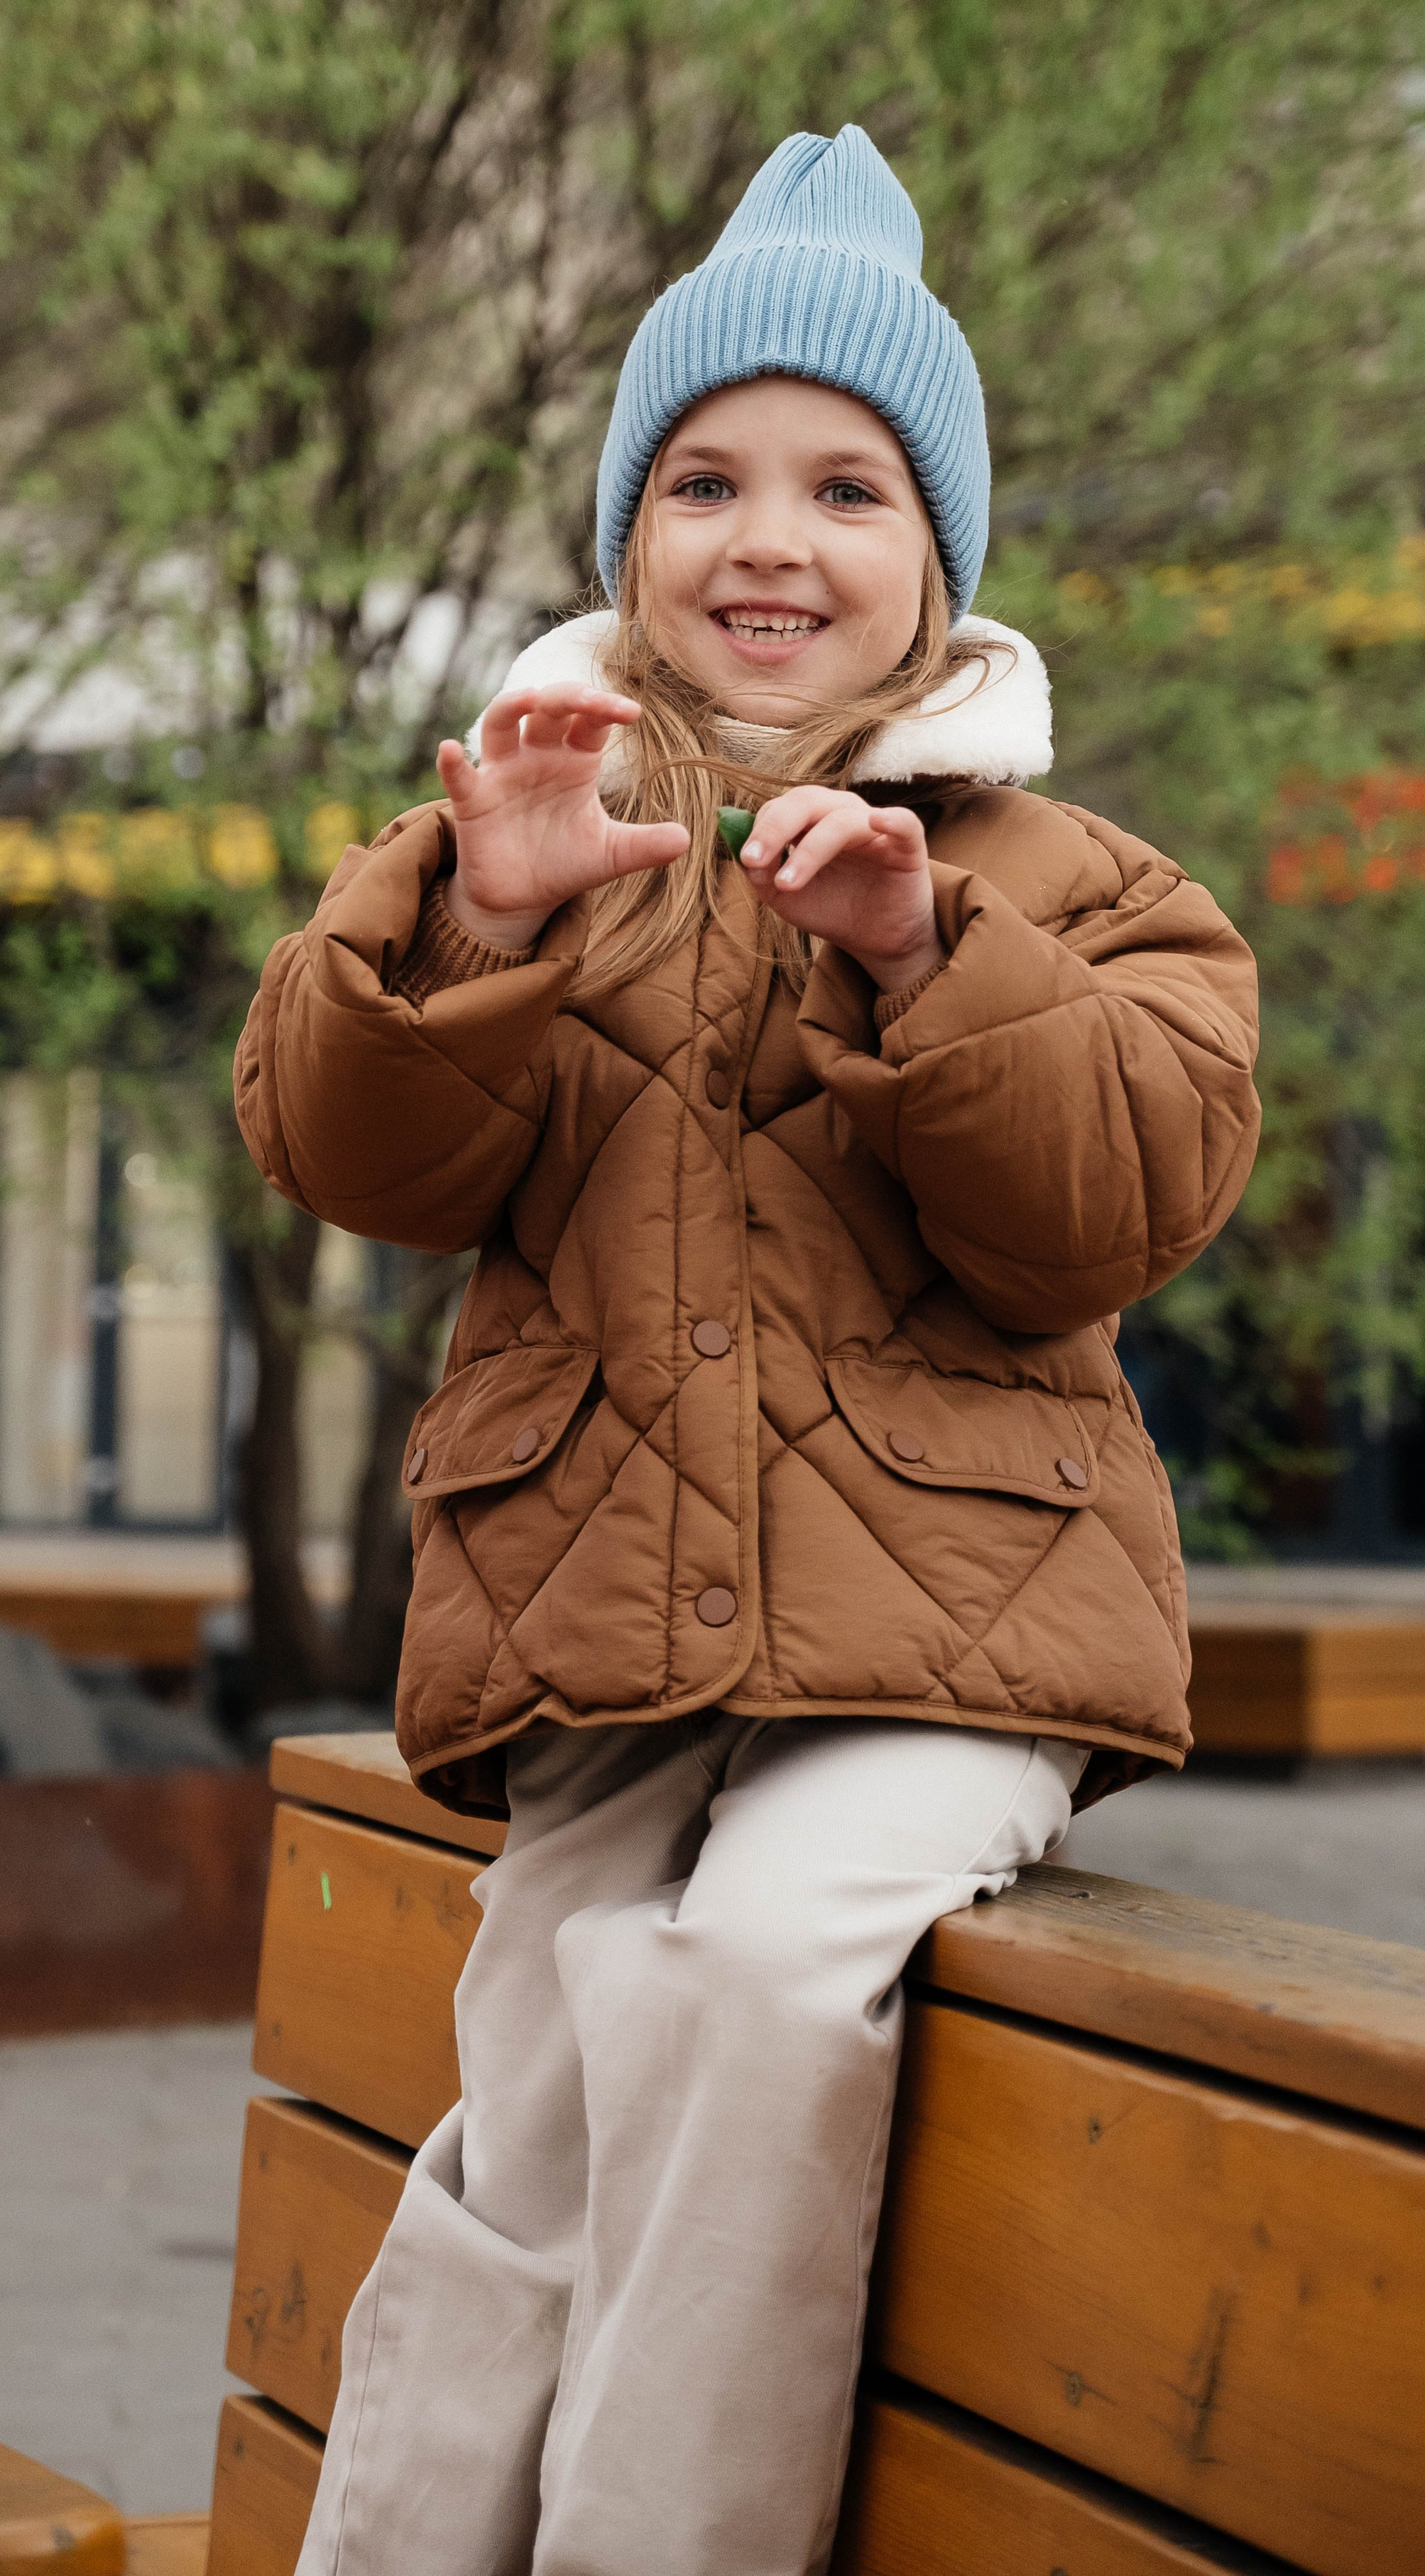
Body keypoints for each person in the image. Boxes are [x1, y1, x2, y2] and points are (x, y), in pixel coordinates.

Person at [234, 126, 1260, 2576]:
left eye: (847, 486)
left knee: (772, 1974)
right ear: (627, 542)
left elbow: (1119, 1204)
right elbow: (339, 1147)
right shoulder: (530, 826)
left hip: (948, 1649)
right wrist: (475, 924)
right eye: (701, 479)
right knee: (541, 2090)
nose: (767, 538)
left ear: (941, 564)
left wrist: (934, 967)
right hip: (604, 1650)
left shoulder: (1075, 885)